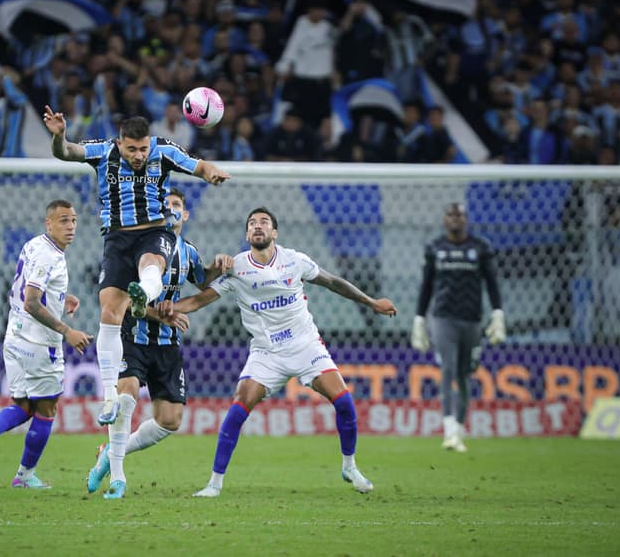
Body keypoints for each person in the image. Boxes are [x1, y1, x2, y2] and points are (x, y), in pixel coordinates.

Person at [158, 207, 398, 497]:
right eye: (252, 223)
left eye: (264, 222)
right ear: (247, 234)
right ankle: (214, 484)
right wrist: (168, 309)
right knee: (239, 406)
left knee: (344, 401)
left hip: (304, 344)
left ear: (274, 233)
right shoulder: (237, 267)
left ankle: (349, 466)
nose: (257, 226)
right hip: (267, 353)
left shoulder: (294, 260)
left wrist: (371, 302)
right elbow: (198, 301)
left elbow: (333, 281)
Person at [43, 107, 230, 427]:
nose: (139, 155)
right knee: (109, 314)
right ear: (120, 143)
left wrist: (211, 172)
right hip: (116, 239)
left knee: (151, 266)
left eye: (143, 148)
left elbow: (198, 165)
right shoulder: (103, 152)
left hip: (154, 231)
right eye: (132, 149)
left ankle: (143, 293)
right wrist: (60, 135)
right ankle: (108, 397)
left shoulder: (164, 150)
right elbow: (67, 152)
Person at [85, 188, 233, 499]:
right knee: (125, 398)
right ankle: (118, 474)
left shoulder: (188, 252)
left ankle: (110, 450)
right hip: (133, 336)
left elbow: (203, 281)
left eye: (177, 205)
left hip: (167, 345)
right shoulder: (138, 248)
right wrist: (158, 314)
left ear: (186, 213)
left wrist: (219, 268)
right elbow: (121, 299)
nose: (171, 209)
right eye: (166, 204)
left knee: (170, 420)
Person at [0, 200, 93, 488]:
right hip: (40, 344)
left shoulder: (34, 245)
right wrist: (67, 331)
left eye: (73, 220)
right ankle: (24, 476)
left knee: (23, 405)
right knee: (47, 409)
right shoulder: (50, 256)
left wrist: (63, 297)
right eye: (63, 221)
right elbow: (32, 301)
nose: (71, 227)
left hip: (13, 337)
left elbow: (32, 285)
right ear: (48, 223)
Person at [411, 202, 505, 453]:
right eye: (451, 214)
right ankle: (449, 429)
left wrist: (497, 313)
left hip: (472, 319)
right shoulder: (435, 248)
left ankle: (459, 429)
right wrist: (419, 318)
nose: (455, 219)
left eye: (459, 215)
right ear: (444, 219)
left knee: (465, 374)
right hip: (443, 317)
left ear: (466, 219)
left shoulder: (481, 248)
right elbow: (426, 286)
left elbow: (492, 283)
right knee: (448, 369)